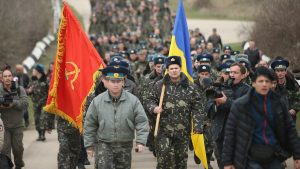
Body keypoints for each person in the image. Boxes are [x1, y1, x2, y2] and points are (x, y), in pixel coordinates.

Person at [222, 66, 300, 169]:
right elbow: (230, 134)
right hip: (249, 156)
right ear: (254, 83)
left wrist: (297, 155)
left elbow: (290, 129)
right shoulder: (240, 105)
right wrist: (228, 162)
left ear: (271, 83)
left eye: (267, 81)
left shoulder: (279, 103)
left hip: (273, 156)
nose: (264, 84)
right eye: (260, 81)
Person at [84, 65, 149, 169]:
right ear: (106, 83)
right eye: (112, 81)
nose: (115, 84)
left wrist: (140, 141)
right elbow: (90, 124)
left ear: (123, 82)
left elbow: (141, 121)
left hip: (125, 145)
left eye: (118, 81)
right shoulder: (97, 101)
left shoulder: (133, 101)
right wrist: (89, 146)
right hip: (104, 144)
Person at [146, 56, 204, 169]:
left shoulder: (190, 87)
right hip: (163, 130)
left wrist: (197, 125)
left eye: (176, 68)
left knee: (180, 161)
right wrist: (154, 108)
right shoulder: (160, 85)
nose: (174, 70)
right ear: (167, 69)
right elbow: (149, 100)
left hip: (182, 131)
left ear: (180, 69)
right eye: (171, 68)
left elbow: (198, 107)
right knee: (164, 159)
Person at [0, 68, 28, 169]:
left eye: (9, 76)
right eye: (5, 76)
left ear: (12, 77)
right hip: (4, 126)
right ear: (2, 78)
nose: (7, 78)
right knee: (5, 150)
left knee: (18, 149)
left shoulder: (19, 89)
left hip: (17, 125)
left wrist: (14, 103)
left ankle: (19, 165)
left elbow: (25, 104)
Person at [27, 64, 49, 141]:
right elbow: (28, 91)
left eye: (34, 70)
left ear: (38, 71)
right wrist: (29, 91)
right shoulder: (33, 80)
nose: (33, 71)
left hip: (44, 103)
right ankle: (39, 134)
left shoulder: (46, 80)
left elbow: (50, 91)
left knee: (42, 118)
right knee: (37, 119)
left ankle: (43, 134)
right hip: (35, 104)